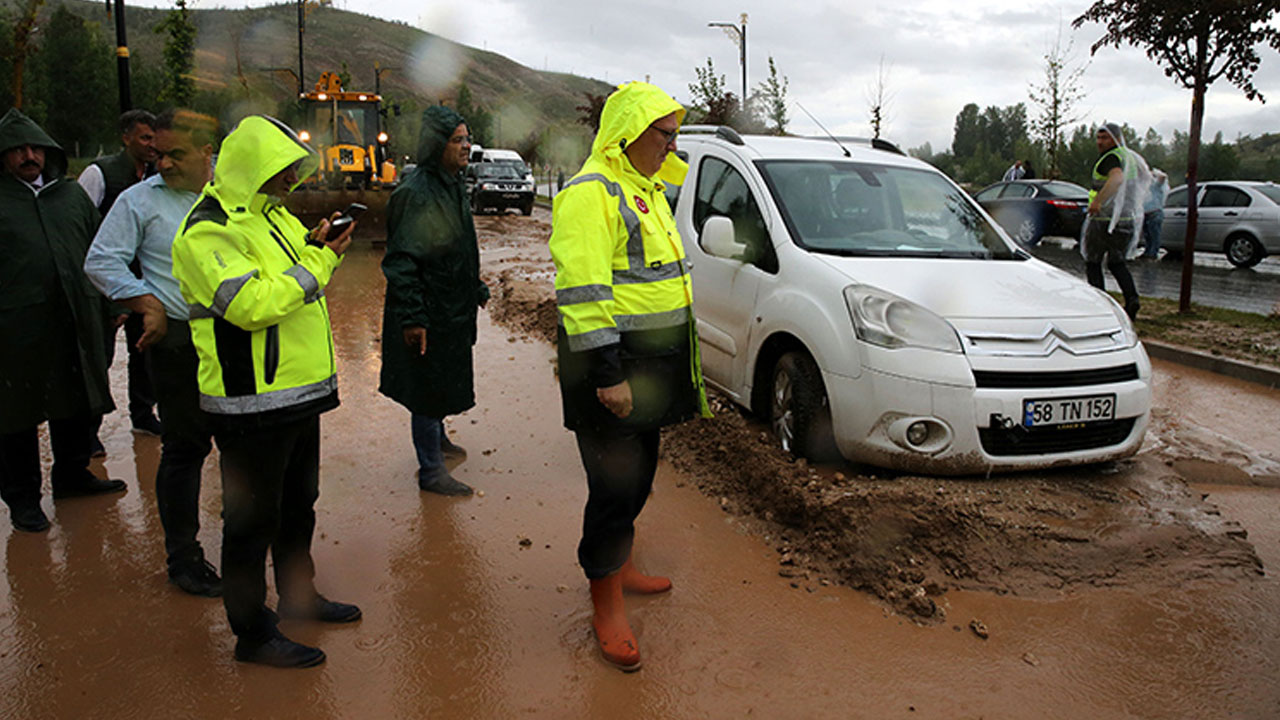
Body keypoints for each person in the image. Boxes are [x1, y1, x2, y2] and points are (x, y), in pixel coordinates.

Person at [171, 115, 359, 668]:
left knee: (299, 507)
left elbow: (289, 280)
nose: (290, 179)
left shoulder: (270, 218)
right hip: (249, 405)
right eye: (281, 168)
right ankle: (252, 633)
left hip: (298, 396)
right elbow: (251, 305)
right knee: (251, 522)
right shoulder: (206, 229)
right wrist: (320, 261)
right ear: (252, 165)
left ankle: (299, 597)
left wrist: (314, 246)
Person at [548, 82, 710, 672]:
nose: (671, 147)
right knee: (614, 490)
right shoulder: (590, 195)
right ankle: (605, 601)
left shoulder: (643, 186)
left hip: (652, 370)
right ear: (627, 136)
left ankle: (624, 567)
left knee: (640, 476)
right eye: (663, 135)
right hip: (612, 374)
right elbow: (584, 294)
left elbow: (690, 177)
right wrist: (608, 375)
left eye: (674, 135)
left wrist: (675, 150)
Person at [83, 109, 222, 596]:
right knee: (185, 450)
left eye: (175, 154)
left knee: (245, 447)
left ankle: (250, 546)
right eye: (157, 153)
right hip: (179, 343)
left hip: (236, 340)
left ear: (208, 152)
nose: (161, 163)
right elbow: (101, 260)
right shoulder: (137, 202)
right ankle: (183, 558)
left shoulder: (230, 194)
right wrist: (145, 300)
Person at [0, 108, 126, 533]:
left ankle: (72, 477)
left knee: (75, 400)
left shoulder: (71, 196)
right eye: (17, 150)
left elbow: (100, 253)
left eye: (35, 147)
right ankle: (22, 500)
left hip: (76, 319)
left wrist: (113, 304)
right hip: (16, 329)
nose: (28, 156)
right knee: (17, 413)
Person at [379, 106, 488, 497]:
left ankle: (437, 438)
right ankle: (430, 470)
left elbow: (459, 247)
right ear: (436, 144)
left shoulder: (452, 184)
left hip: (451, 306)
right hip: (427, 310)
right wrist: (412, 317)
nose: (466, 146)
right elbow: (402, 261)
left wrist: (474, 285)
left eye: (467, 138)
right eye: (458, 139)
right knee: (426, 386)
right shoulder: (416, 193)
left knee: (441, 376)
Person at [80, 109, 163, 451]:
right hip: (104, 288)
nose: (151, 145)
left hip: (144, 285)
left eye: (154, 139)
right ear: (125, 137)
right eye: (144, 138)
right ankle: (87, 435)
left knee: (144, 353)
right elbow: (81, 232)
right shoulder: (98, 175)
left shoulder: (159, 176)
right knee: (99, 359)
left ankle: (144, 416)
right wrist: (106, 296)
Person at [1083, 122, 1152, 321]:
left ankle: (1100, 305)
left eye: (1105, 138)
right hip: (1126, 220)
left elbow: (1116, 179)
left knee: (1093, 261)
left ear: (1116, 138)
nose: (1100, 142)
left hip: (1104, 219)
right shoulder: (1130, 157)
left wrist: (1098, 201)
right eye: (1098, 137)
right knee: (1117, 263)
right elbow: (1145, 178)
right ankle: (1132, 299)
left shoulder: (1111, 158)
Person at [1140, 168, 1169, 260]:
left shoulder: (1157, 185)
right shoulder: (1147, 187)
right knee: (1148, 235)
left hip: (1155, 212)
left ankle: (1153, 253)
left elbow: (1163, 177)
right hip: (1146, 213)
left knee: (1154, 235)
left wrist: (1154, 173)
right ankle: (1148, 252)